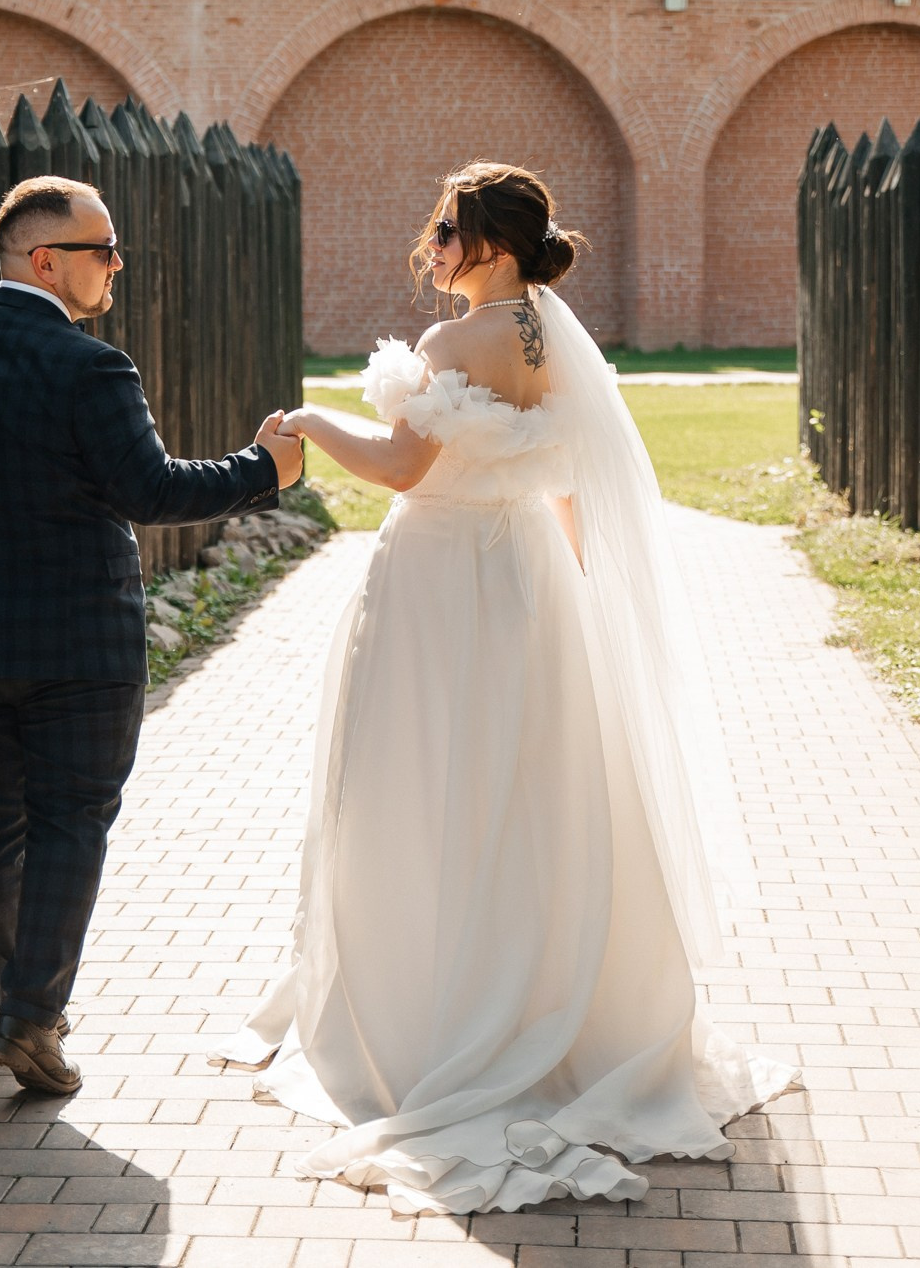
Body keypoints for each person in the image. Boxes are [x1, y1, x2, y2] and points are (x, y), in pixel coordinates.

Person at [219, 162, 796, 1213]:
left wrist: (304, 421)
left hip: (440, 584)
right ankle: (546, 1001)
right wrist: (586, 598)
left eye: (444, 231)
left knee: (414, 786)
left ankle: (429, 1010)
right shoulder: (549, 336)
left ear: (486, 240)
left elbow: (401, 467)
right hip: (529, 585)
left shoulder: (454, 343)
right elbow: (573, 487)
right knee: (529, 797)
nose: (431, 248)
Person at [0, 173, 304, 1095]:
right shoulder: (91, 367)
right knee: (73, 820)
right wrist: (263, 466)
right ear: (47, 261)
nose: (117, 263)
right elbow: (151, 491)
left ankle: (9, 1005)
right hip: (80, 646)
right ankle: (31, 1014)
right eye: (102, 249)